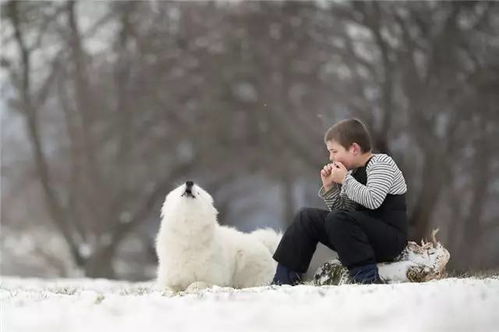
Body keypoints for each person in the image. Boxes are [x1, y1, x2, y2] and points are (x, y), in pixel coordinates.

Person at [272, 118, 408, 285]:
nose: (331, 157)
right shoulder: (352, 174)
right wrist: (329, 188)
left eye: (334, 151)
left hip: (389, 240)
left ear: (354, 148)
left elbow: (373, 200)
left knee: (338, 218)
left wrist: (344, 179)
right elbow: (342, 212)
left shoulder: (382, 163)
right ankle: (283, 280)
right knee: (306, 217)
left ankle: (367, 279)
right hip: (361, 238)